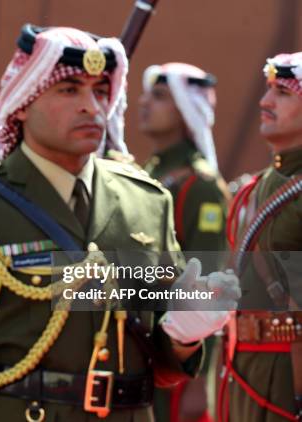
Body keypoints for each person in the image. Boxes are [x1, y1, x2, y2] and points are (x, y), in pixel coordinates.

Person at [0, 24, 239, 421]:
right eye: (70, 90)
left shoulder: (147, 201)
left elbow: (161, 361)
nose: (91, 106)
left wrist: (185, 335)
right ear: (24, 102)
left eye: (100, 91)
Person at [138, 62, 230, 422]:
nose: (144, 103)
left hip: (174, 351)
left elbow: (205, 282)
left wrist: (196, 377)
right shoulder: (148, 172)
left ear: (185, 107)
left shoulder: (200, 184)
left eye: (159, 96)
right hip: (138, 343)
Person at [221, 52, 302, 422]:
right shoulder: (252, 189)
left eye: (283, 93)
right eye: (268, 90)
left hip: (290, 380)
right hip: (243, 370)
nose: (264, 101)